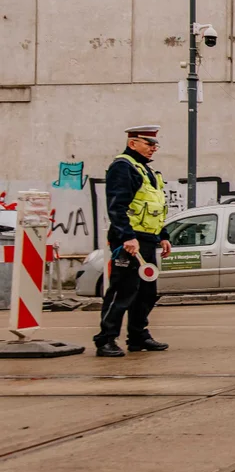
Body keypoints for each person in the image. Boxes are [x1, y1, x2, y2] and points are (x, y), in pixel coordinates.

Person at [94, 125, 172, 357]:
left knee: (147, 292)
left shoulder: (146, 171)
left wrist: (163, 236)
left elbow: (156, 208)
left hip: (147, 240)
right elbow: (117, 206)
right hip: (129, 241)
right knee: (123, 291)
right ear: (132, 143)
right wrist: (127, 236)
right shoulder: (122, 167)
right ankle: (105, 339)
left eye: (155, 145)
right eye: (149, 144)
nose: (153, 149)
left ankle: (138, 335)